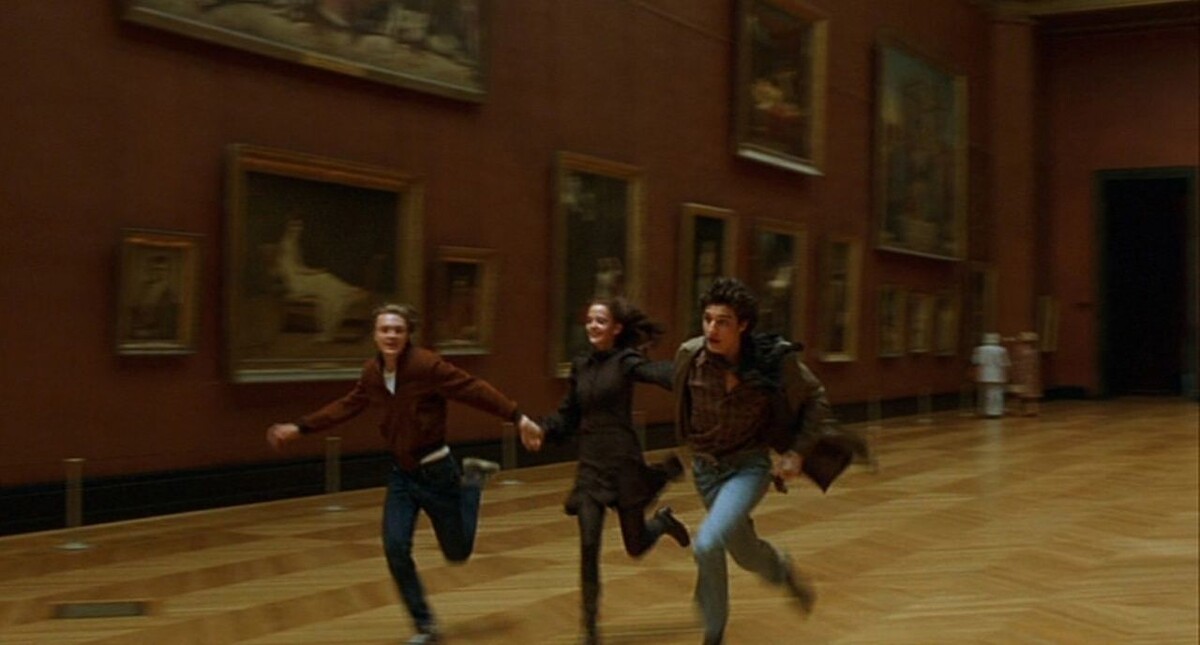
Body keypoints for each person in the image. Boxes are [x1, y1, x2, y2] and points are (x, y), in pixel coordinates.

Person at [267, 303, 543, 645]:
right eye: (385, 329)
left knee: (457, 553)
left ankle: (472, 481)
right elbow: (346, 406)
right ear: (375, 334)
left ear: (408, 333)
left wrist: (518, 417)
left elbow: (472, 389)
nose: (391, 335)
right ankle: (425, 625)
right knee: (395, 548)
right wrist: (300, 427)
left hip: (437, 472)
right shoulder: (372, 373)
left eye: (398, 330)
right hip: (403, 476)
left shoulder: (426, 366)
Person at [671, 277, 835, 645]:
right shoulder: (690, 356)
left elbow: (816, 397)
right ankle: (781, 569)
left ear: (742, 325)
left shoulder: (772, 361)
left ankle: (713, 632)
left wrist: (797, 451)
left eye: (723, 322)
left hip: (748, 467)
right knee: (743, 552)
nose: (712, 329)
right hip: (706, 471)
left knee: (707, 544)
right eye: (707, 319)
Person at [521, 297, 690, 645]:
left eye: (600, 321)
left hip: (622, 462)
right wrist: (543, 429)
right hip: (591, 468)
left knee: (635, 546)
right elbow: (568, 415)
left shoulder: (626, 362)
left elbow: (657, 372)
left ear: (616, 328)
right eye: (589, 321)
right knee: (588, 544)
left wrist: (692, 373)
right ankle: (590, 628)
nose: (592, 326)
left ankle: (662, 522)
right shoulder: (581, 366)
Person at [128, 252, 179, 340]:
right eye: (154, 269)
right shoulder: (143, 290)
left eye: (162, 269)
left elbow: (168, 330)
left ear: (168, 272)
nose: (158, 272)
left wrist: (145, 333)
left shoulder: (170, 296)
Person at [972, 332, 1010, 418]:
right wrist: (1006, 375)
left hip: (985, 374)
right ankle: (996, 411)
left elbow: (978, 363)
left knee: (984, 393)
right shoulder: (1002, 350)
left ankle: (985, 411)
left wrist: (977, 374)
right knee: (997, 393)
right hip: (998, 374)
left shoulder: (980, 349)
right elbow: (1005, 364)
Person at [1009, 331, 1042, 416]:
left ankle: (1018, 409)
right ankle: (1031, 410)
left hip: (1021, 374)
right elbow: (1035, 365)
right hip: (1030, 375)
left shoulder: (1018, 351)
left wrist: (1013, 374)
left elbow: (1015, 364)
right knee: (1030, 394)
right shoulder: (1033, 351)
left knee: (1019, 393)